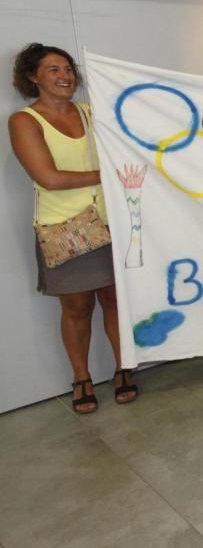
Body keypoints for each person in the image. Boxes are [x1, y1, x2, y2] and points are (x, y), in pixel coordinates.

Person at [8, 43, 138, 414]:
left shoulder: (92, 112)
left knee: (115, 299)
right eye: (54, 70)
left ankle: (123, 367)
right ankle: (81, 377)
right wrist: (109, 177)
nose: (65, 76)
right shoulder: (24, 121)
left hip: (112, 222)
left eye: (68, 69)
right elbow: (48, 177)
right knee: (77, 306)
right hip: (65, 229)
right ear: (32, 77)